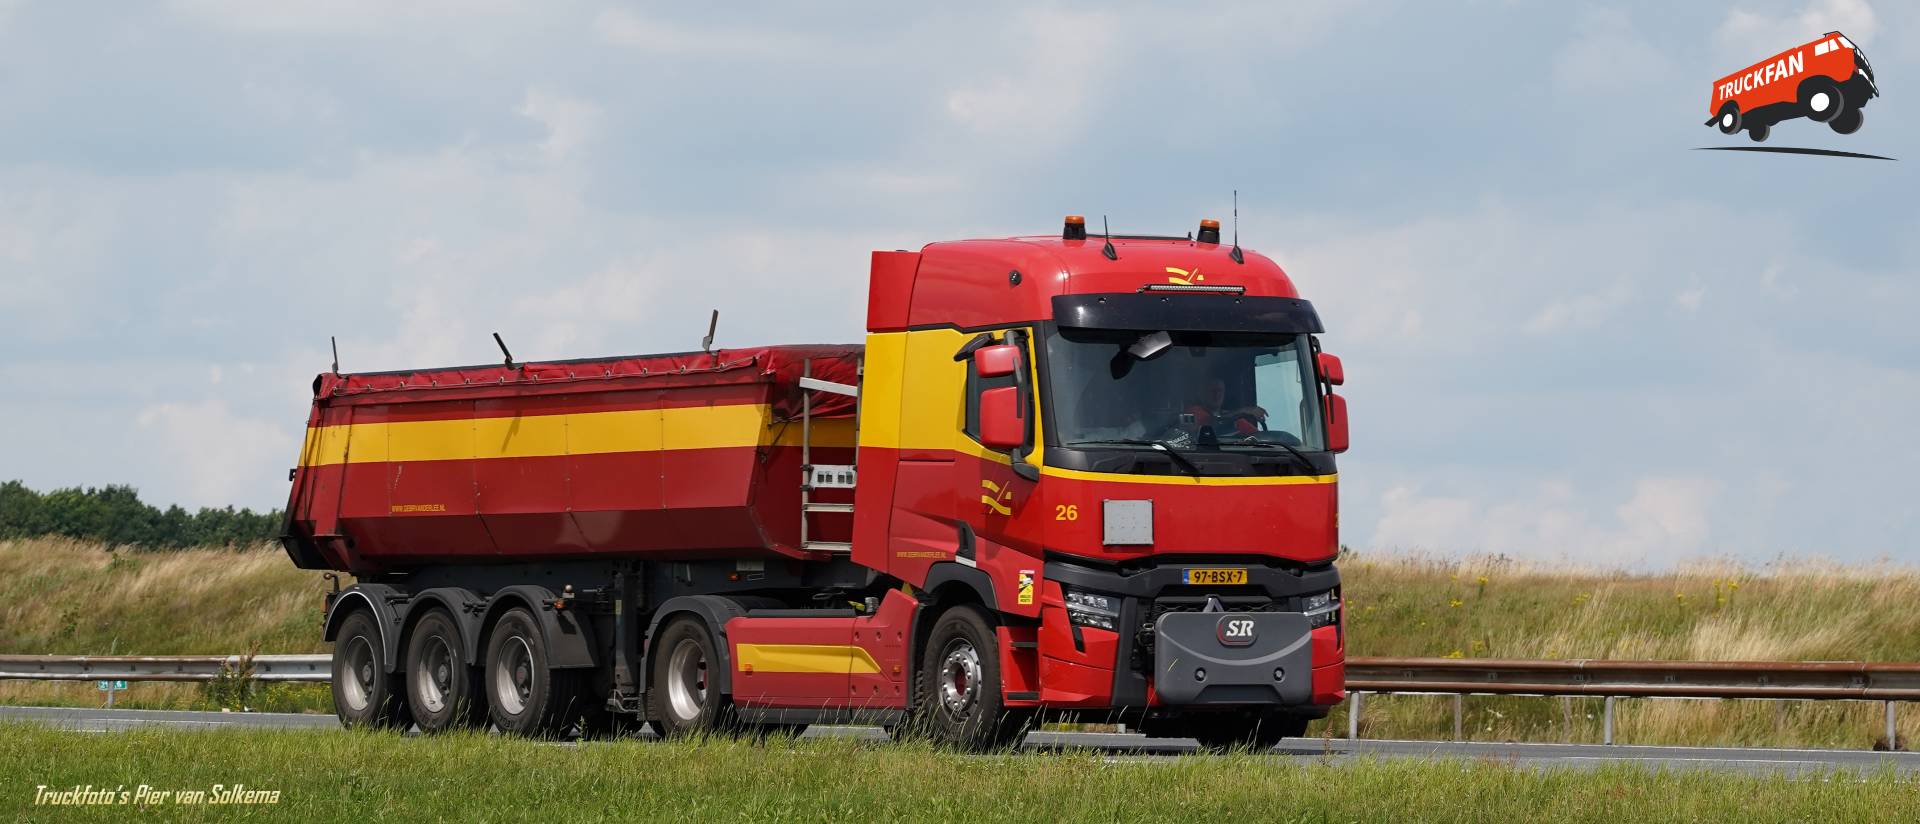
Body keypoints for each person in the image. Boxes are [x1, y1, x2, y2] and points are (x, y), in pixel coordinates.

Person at [1186, 377, 1265, 437]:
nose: (1217, 395)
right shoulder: (1193, 411)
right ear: (1202, 394)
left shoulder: (1233, 418)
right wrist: (1242, 411)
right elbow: (1212, 422)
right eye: (1212, 391)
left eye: (1220, 390)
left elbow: (1257, 436)